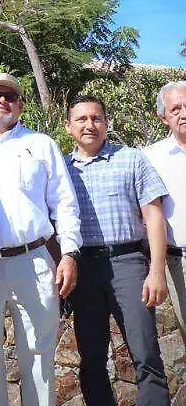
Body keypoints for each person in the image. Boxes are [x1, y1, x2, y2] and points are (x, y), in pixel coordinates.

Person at [0, 73, 83, 406]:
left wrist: (69, 253)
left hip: (35, 260)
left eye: (10, 96)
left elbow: (65, 202)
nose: (2, 101)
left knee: (40, 353)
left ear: (20, 105)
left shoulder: (42, 145)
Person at [64, 95, 170, 405]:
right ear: (68, 126)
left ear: (106, 123)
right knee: (92, 358)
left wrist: (156, 271)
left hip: (129, 264)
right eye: (81, 119)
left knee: (146, 351)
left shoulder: (132, 159)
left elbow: (154, 216)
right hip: (83, 269)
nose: (90, 125)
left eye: (96, 118)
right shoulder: (60, 168)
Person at [145, 80, 186, 344]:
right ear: (163, 117)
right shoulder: (151, 157)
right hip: (181, 262)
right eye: (176, 109)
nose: (184, 114)